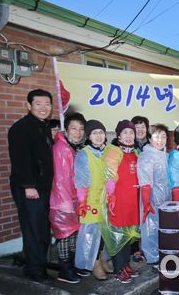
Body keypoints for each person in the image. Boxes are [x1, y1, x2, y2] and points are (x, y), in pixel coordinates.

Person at [8, 89, 54, 282]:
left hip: (42, 187)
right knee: (34, 228)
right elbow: (20, 160)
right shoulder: (21, 128)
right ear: (29, 106)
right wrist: (29, 186)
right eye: (38, 104)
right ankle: (35, 270)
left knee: (42, 227)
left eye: (47, 104)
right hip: (30, 187)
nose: (43, 108)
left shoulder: (43, 126)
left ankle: (37, 263)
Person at [49, 113, 86, 283]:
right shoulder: (62, 148)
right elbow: (61, 179)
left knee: (72, 234)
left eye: (81, 129)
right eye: (74, 128)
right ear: (66, 129)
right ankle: (64, 270)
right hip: (62, 201)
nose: (78, 132)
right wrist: (69, 205)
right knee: (64, 235)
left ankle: (71, 266)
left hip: (70, 200)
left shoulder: (71, 147)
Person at [103, 120, 141, 283]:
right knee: (118, 235)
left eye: (131, 133)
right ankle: (119, 269)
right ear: (118, 135)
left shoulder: (136, 152)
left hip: (133, 201)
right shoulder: (114, 152)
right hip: (119, 201)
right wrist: (110, 197)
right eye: (125, 133)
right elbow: (109, 177)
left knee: (127, 235)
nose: (128, 136)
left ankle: (125, 264)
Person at [74, 120, 111, 280]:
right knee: (90, 234)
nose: (98, 136)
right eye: (94, 133)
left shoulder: (108, 152)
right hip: (91, 200)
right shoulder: (84, 154)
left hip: (107, 199)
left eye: (101, 132)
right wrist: (82, 202)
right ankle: (93, 263)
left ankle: (102, 258)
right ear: (89, 136)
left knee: (104, 232)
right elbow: (81, 181)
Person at [137, 124, 171, 267]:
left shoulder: (165, 154)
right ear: (150, 139)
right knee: (150, 229)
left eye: (163, 136)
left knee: (161, 228)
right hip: (151, 199)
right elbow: (145, 183)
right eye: (157, 136)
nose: (160, 140)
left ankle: (162, 255)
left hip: (165, 199)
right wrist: (146, 203)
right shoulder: (146, 156)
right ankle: (153, 258)